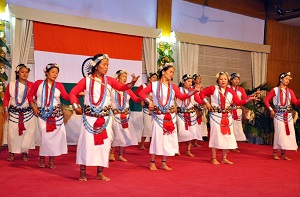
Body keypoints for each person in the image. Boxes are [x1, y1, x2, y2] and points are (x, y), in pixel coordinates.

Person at [69, 54, 139, 181]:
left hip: (105, 119)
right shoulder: (86, 80)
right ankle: (83, 172)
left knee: (104, 145)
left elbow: (122, 87)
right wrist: (75, 106)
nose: (106, 67)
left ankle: (100, 172)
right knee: (86, 144)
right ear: (96, 65)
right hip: (89, 118)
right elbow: (73, 93)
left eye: (107, 65)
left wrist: (132, 83)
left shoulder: (109, 80)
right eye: (104, 64)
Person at [138, 63, 200, 171]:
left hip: (170, 116)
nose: (171, 74)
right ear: (163, 71)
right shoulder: (154, 85)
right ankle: (152, 162)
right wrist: (149, 101)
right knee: (157, 138)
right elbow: (141, 93)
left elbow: (181, 96)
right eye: (170, 71)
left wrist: (194, 91)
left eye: (173, 72)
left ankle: (163, 162)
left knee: (168, 139)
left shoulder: (173, 87)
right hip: (158, 116)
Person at [200, 72, 258, 165]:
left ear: (228, 81)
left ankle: (224, 158)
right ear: (218, 80)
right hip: (216, 115)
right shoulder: (213, 89)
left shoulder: (231, 91)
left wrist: (249, 99)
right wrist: (207, 103)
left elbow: (238, 102)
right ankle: (213, 158)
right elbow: (201, 94)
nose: (223, 81)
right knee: (215, 136)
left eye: (225, 79)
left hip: (227, 116)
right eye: (221, 79)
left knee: (227, 136)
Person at [28, 63, 69, 169]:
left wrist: (77, 94)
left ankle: (51, 160)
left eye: (57, 73)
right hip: (43, 115)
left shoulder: (59, 85)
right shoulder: (38, 83)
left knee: (55, 139)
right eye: (53, 72)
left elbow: (66, 96)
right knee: (45, 137)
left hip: (56, 115)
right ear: (46, 72)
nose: (55, 74)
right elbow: (30, 95)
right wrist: (33, 107)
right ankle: (42, 158)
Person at [264, 72, 300, 160]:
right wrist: (271, 110)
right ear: (281, 79)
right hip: (278, 114)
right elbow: (266, 100)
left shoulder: (290, 91)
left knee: (286, 134)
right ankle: (275, 153)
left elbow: (295, 102)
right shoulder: (275, 90)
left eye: (288, 79)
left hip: (288, 115)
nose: (288, 81)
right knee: (279, 133)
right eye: (286, 79)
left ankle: (283, 154)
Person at [3, 64, 35, 161]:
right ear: (17, 73)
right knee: (12, 134)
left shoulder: (32, 85)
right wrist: (5, 111)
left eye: (26, 72)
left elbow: (35, 98)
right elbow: (6, 98)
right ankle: (12, 153)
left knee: (27, 134)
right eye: (22, 72)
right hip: (14, 113)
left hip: (28, 113)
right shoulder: (11, 84)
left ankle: (25, 153)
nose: (25, 74)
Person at [110, 69, 141, 162]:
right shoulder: (112, 88)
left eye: (126, 77)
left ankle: (120, 155)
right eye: (123, 76)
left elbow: (136, 99)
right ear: (117, 78)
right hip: (115, 115)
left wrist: (144, 98)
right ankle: (111, 154)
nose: (125, 78)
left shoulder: (127, 89)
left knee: (124, 135)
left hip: (125, 116)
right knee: (115, 134)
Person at [176, 74, 204, 157]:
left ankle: (188, 150)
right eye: (188, 81)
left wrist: (205, 101)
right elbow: (182, 98)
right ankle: (177, 149)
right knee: (181, 132)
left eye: (191, 81)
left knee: (191, 133)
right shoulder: (178, 89)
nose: (190, 83)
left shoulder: (192, 90)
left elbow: (198, 100)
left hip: (191, 114)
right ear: (183, 81)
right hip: (181, 113)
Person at [134, 72, 158, 150]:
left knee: (153, 127)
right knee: (147, 127)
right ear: (149, 78)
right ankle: (142, 144)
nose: (155, 79)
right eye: (153, 77)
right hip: (146, 109)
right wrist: (142, 99)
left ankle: (152, 144)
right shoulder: (144, 86)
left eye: (156, 78)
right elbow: (135, 94)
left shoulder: (156, 87)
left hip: (154, 109)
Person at [229, 73, 248, 152]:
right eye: (234, 79)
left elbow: (245, 99)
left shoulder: (241, 89)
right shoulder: (227, 88)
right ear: (231, 80)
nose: (236, 81)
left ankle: (234, 145)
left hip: (238, 110)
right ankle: (228, 145)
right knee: (229, 127)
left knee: (236, 127)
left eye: (238, 79)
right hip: (229, 110)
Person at [192, 73, 208, 146]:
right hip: (194, 107)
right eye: (198, 78)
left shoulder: (202, 88)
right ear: (194, 80)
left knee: (200, 124)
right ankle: (192, 140)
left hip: (201, 107)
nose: (199, 80)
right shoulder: (192, 88)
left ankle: (196, 140)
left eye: (200, 78)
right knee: (194, 124)